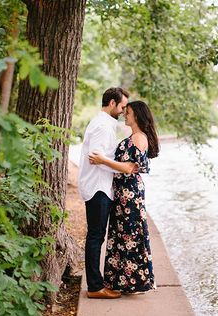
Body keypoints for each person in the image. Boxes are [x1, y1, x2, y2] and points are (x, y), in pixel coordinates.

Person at [88, 100, 160, 294]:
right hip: (121, 193)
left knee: (131, 235)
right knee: (121, 236)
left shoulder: (139, 138)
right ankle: (122, 282)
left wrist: (102, 160)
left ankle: (135, 283)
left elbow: (130, 167)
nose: (124, 115)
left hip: (130, 193)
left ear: (136, 115)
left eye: (127, 112)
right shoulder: (132, 136)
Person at [78, 87, 137, 299]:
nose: (123, 111)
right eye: (121, 106)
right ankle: (94, 287)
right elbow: (97, 158)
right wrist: (123, 167)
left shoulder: (105, 124)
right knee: (95, 236)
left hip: (101, 186)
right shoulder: (103, 126)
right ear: (112, 103)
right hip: (98, 188)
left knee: (97, 236)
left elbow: (101, 158)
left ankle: (97, 283)